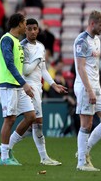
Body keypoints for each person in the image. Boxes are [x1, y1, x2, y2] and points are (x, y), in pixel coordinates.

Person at [17, 18, 67, 164]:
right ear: (25, 30)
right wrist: (37, 60)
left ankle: (5, 148)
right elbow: (25, 71)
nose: (33, 31)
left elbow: (43, 69)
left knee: (34, 123)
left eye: (35, 28)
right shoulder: (22, 47)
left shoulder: (40, 46)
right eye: (30, 28)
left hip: (38, 88)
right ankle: (44, 157)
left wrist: (53, 84)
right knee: (36, 122)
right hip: (28, 87)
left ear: (38, 30)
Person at [73, 11, 101, 171]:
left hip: (96, 87)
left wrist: (95, 89)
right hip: (85, 87)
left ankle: (84, 151)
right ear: (92, 24)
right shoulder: (81, 41)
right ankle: (82, 163)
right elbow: (81, 67)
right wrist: (89, 91)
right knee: (86, 124)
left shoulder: (97, 39)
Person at [0, 13, 36, 166]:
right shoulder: (7, 40)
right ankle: (5, 157)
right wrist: (24, 83)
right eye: (25, 23)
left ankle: (6, 148)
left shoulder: (16, 41)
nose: (26, 26)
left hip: (17, 85)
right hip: (8, 84)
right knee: (10, 119)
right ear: (19, 24)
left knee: (31, 116)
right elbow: (9, 63)